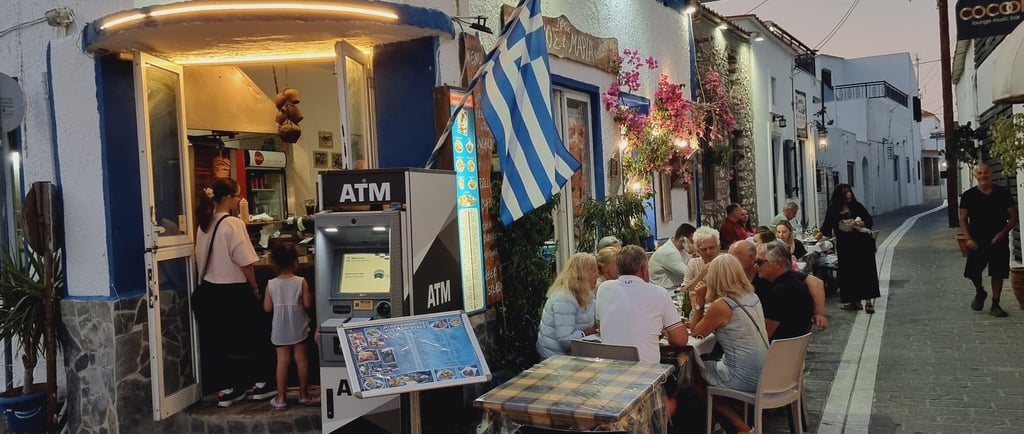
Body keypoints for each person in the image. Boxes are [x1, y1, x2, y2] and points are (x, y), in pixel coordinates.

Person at [194, 177, 275, 407]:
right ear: (227, 198)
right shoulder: (232, 224)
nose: (239, 200)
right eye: (237, 196)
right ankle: (260, 383)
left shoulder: (204, 224)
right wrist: (254, 288)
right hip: (234, 291)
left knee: (221, 342)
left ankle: (227, 389)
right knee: (253, 336)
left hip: (210, 291)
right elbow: (246, 262)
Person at [688, 254, 768, 434]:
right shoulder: (752, 296)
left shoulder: (722, 306)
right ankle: (719, 420)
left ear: (715, 277)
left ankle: (739, 426)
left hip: (744, 376)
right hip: (765, 371)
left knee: (691, 374)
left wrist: (699, 303)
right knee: (710, 363)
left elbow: (696, 332)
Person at [597, 245, 688, 364]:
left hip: (609, 372)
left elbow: (603, 325)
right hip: (646, 375)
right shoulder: (659, 293)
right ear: (644, 269)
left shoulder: (603, 289)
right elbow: (680, 340)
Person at [960, 163, 1019, 317]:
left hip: (998, 238)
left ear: (991, 174)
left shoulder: (1003, 194)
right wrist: (968, 239)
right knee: (973, 272)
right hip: (977, 239)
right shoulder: (968, 196)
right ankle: (980, 292)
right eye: (980, 173)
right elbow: (963, 219)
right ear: (975, 176)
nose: (983, 176)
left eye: (986, 172)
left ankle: (996, 303)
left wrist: (1003, 232)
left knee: (998, 272)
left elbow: (1013, 216)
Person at [729, 240, 828, 331]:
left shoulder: (781, 288)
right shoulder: (783, 280)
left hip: (778, 342)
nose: (729, 263)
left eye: (758, 261)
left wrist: (819, 313)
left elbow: (767, 332)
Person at [263, 243, 317, 409]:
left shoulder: (271, 284)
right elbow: (307, 304)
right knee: (301, 360)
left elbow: (267, 308)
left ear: (275, 263)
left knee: (282, 361)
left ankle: (281, 398)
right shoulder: (301, 282)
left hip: (280, 327)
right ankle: (303, 394)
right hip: (298, 324)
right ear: (295, 262)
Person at [820, 184, 881, 313]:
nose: (848, 194)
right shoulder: (833, 210)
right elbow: (826, 227)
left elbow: (869, 221)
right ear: (839, 196)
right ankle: (855, 301)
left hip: (862, 244)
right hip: (845, 247)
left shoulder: (856, 207)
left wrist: (858, 223)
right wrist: (819, 236)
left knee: (865, 272)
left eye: (849, 192)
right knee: (849, 274)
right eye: (845, 193)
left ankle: (869, 302)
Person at [536, 253, 600, 359]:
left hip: (576, 353)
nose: (598, 275)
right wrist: (586, 333)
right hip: (555, 358)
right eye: (594, 271)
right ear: (583, 274)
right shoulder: (564, 298)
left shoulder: (587, 295)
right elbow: (565, 341)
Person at [753, 243, 814, 340]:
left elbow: (766, 334)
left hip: (779, 348)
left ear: (777, 264)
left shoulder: (781, 291)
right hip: (792, 346)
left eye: (759, 262)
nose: (755, 266)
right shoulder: (792, 281)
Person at [648, 223, 696, 291]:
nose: (694, 244)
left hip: (675, 289)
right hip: (664, 291)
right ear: (683, 239)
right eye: (692, 241)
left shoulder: (683, 250)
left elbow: (693, 267)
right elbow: (690, 274)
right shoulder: (669, 252)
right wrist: (696, 252)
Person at [681, 227, 721, 296]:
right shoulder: (693, 263)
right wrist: (701, 275)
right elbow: (683, 292)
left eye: (711, 248)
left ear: (719, 247)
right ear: (698, 251)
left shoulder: (727, 263)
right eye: (704, 249)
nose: (708, 252)